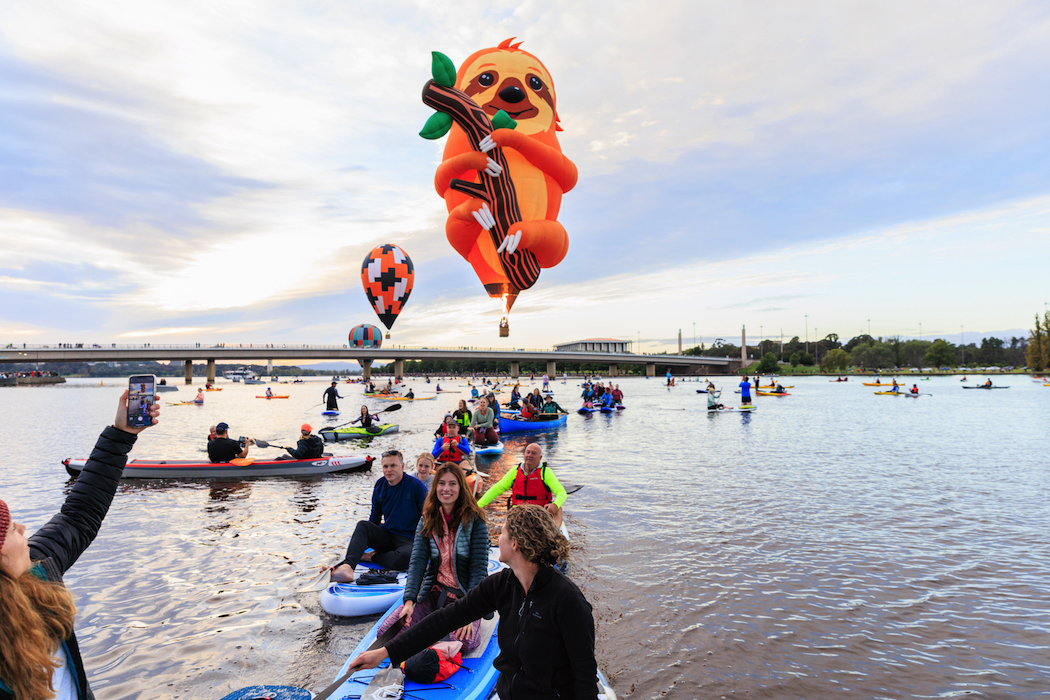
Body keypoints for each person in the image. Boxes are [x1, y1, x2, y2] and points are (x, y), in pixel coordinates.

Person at [0, 391, 159, 700]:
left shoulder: (37, 568)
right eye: (9, 529)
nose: (22, 528)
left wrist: (121, 434)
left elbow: (79, 514)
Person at [347, 505, 596, 700]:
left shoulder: (568, 602)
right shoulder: (502, 585)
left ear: (516, 543)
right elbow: (444, 620)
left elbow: (584, 677)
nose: (498, 537)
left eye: (504, 532)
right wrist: (385, 652)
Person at [374, 462, 490, 650]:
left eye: (452, 484)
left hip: (465, 600)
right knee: (387, 632)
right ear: (435, 487)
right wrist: (409, 601)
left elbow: (478, 570)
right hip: (434, 593)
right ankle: (432, 639)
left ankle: (428, 642)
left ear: (461, 487)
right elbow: (417, 562)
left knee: (464, 641)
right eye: (441, 483)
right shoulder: (427, 519)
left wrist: (470, 613)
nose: (446, 489)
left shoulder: (476, 520)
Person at [330, 450, 427, 582]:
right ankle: (347, 567)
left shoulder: (416, 486)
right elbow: (374, 519)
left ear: (402, 466)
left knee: (406, 557)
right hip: (388, 536)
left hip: (409, 539)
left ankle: (371, 557)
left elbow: (427, 518)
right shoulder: (380, 485)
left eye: (393, 466)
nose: (389, 470)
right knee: (363, 526)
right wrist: (360, 547)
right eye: (385, 466)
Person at [477, 443, 568, 527]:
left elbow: (561, 492)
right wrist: (477, 506)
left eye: (533, 453)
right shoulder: (515, 471)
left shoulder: (546, 473)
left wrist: (555, 504)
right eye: (527, 452)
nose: (529, 455)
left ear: (540, 458)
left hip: (539, 514)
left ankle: (554, 536)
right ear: (524, 454)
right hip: (518, 513)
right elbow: (496, 489)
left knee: (558, 508)